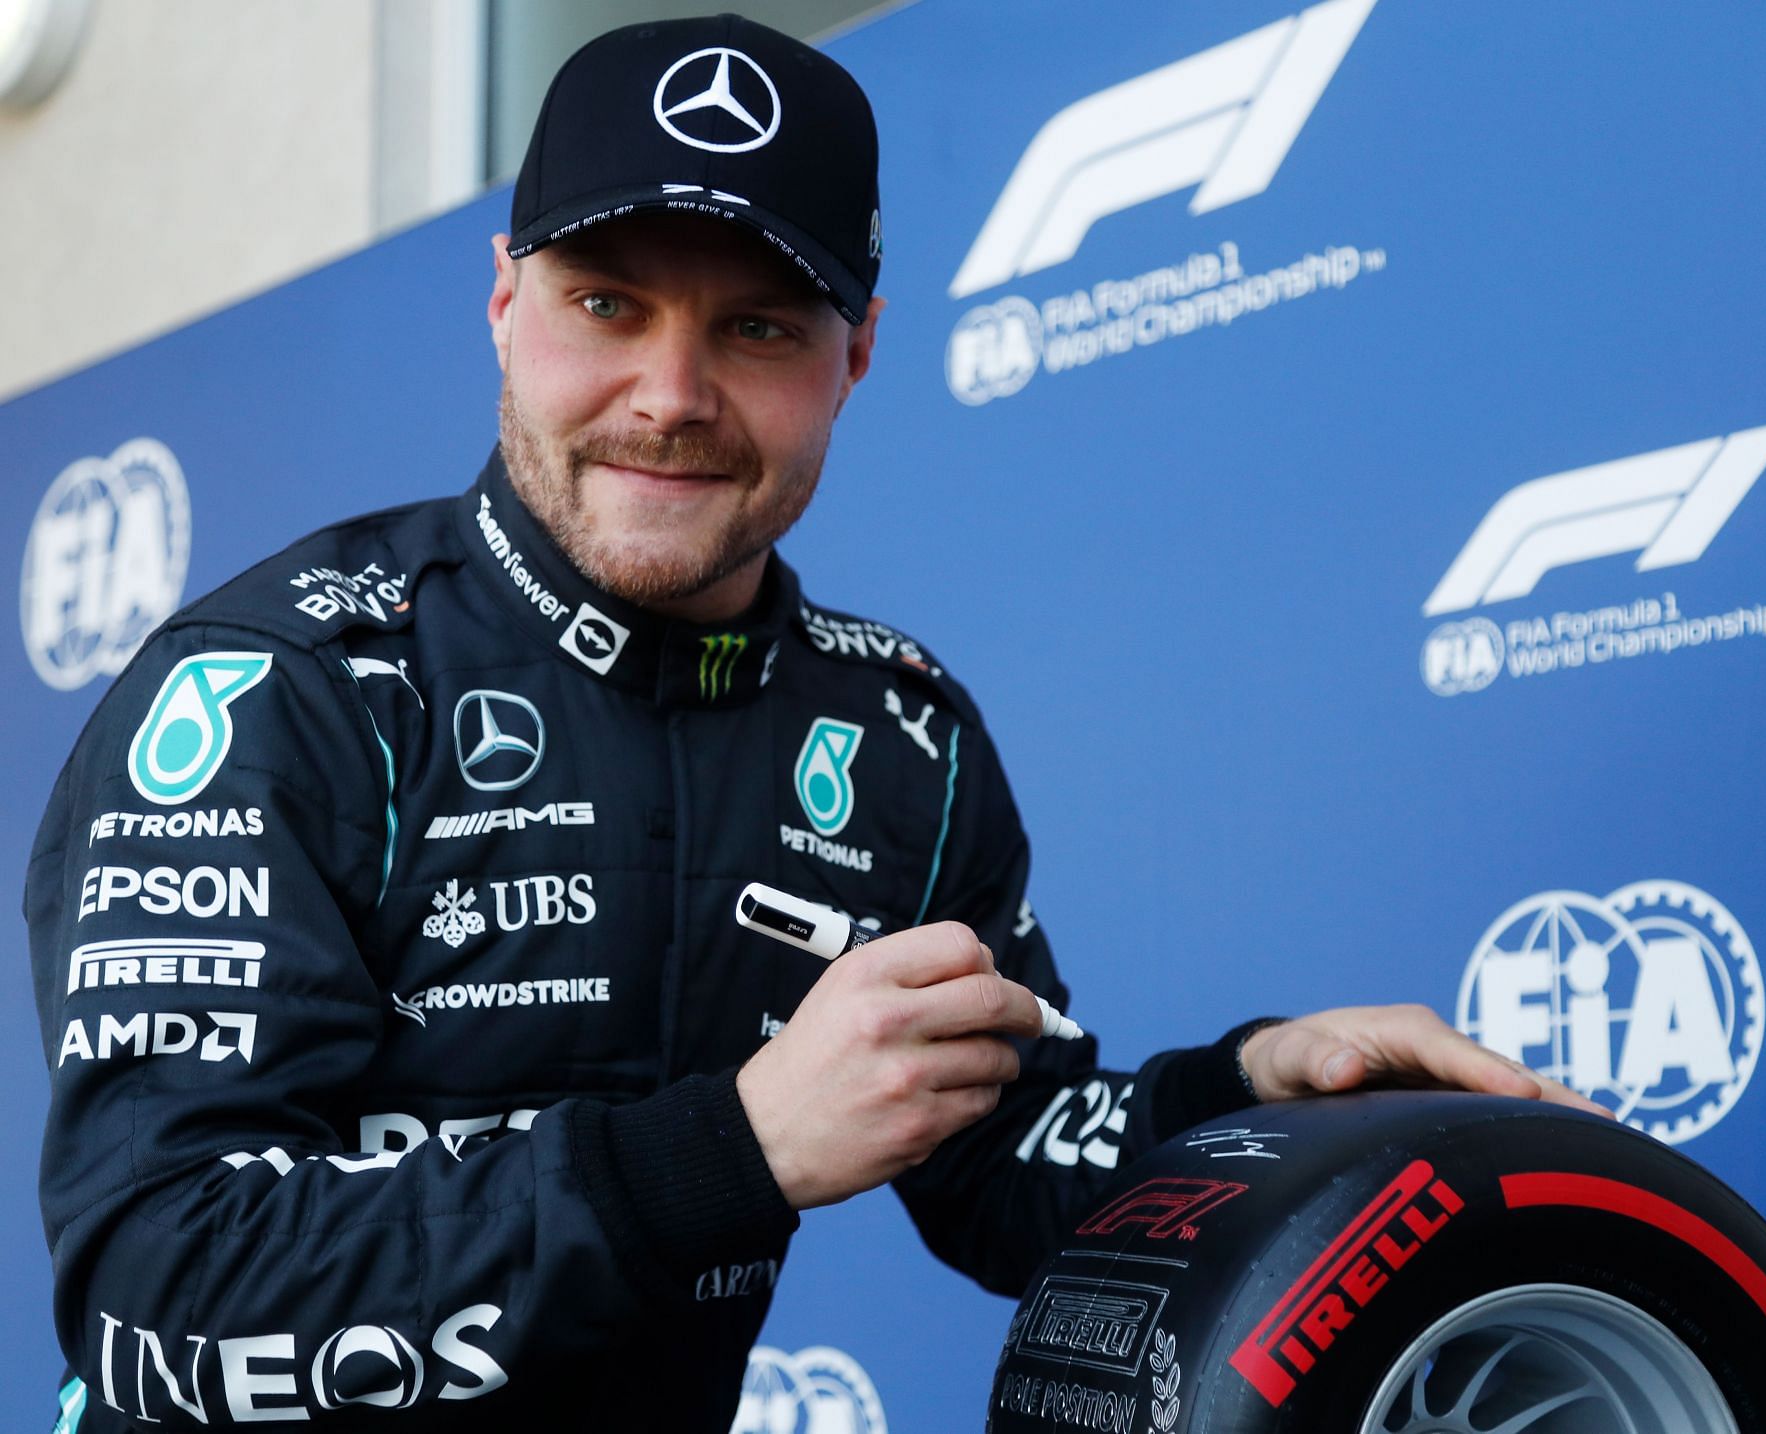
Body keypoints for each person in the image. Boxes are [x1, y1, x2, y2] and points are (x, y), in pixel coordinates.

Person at [27, 15, 1600, 1430]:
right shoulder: (283, 686)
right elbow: (161, 1276)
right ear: (506, 305)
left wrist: (1245, 1094)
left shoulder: (897, 738)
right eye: (607, 303)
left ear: (857, 354)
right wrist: (735, 1150)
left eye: (760, 326)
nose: (669, 392)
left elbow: (997, 1167)